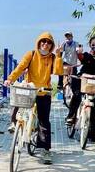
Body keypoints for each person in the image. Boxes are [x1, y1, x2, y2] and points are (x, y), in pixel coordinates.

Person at [4, 32, 64, 163]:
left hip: (44, 92)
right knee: (17, 100)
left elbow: (58, 73)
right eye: (43, 41)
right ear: (38, 42)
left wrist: (59, 56)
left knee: (44, 121)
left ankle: (45, 150)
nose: (45, 44)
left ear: (52, 45)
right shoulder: (31, 54)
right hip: (30, 89)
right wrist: (10, 79)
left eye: (48, 42)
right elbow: (20, 68)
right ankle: (15, 124)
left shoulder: (54, 58)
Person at [66, 35, 95, 143]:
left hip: (94, 82)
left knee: (92, 108)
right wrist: (79, 53)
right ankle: (70, 117)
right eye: (93, 44)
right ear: (90, 45)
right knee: (77, 96)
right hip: (83, 79)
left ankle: (94, 135)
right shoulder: (87, 55)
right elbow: (81, 58)